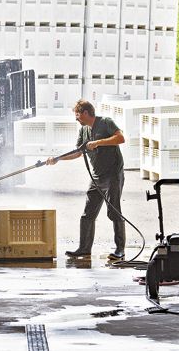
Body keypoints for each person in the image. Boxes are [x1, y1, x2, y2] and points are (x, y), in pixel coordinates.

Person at [46, 99, 126, 260]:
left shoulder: (105, 123)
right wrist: (57, 159)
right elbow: (77, 152)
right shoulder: (83, 131)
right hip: (96, 177)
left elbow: (120, 138)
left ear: (85, 113)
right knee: (87, 214)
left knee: (114, 212)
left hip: (113, 175)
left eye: (77, 114)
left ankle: (120, 249)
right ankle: (84, 248)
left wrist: (98, 143)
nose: (76, 118)